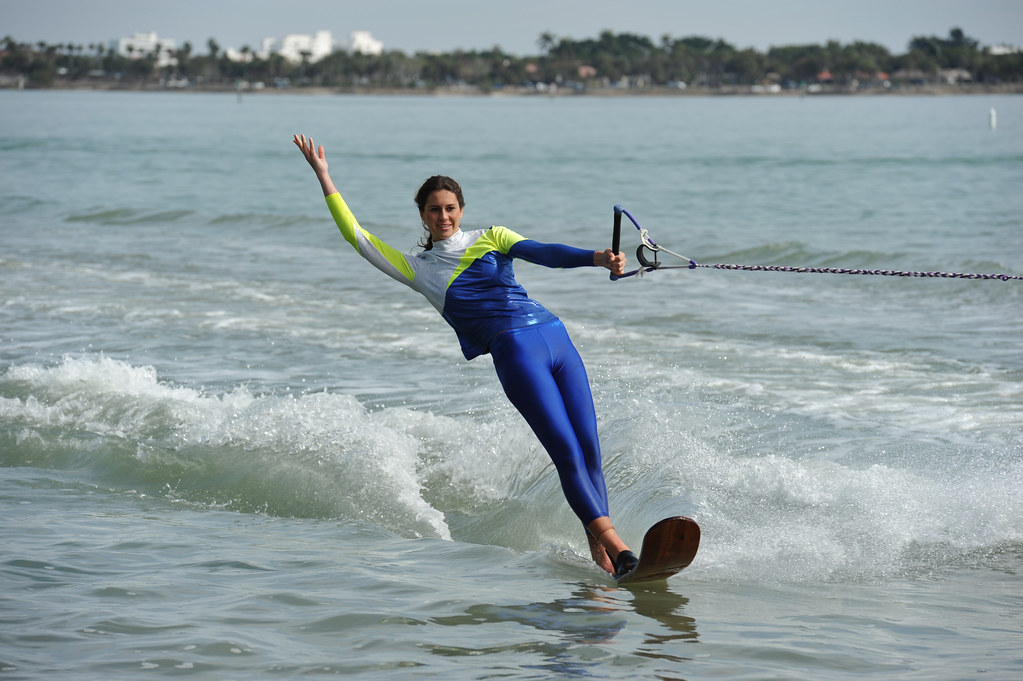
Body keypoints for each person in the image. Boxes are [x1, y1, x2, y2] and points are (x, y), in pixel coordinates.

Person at [293, 134, 637, 577]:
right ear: (422, 214)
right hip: (515, 352)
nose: (443, 216)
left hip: (556, 338)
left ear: (461, 209)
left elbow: (542, 252)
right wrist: (325, 177)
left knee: (590, 450)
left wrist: (596, 258)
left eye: (450, 208)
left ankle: (604, 561)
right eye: (434, 209)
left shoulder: (493, 236)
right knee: (567, 453)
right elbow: (355, 235)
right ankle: (621, 550)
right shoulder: (419, 270)